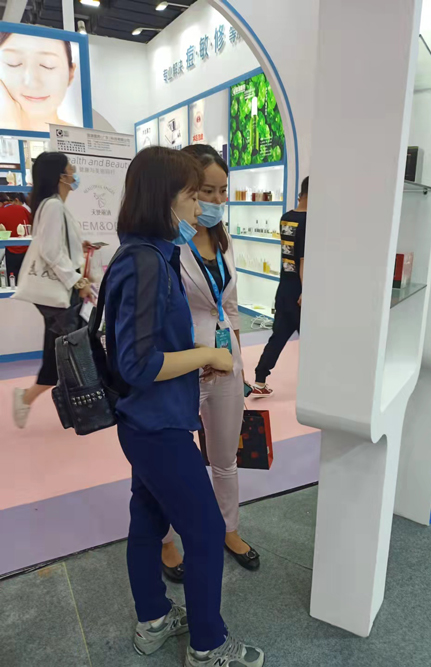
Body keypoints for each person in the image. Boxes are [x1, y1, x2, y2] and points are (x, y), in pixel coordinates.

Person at [105, 146, 264, 666]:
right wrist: (208, 354)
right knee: (205, 529)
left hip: (150, 419)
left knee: (148, 519)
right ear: (164, 198)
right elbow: (138, 363)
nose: (201, 208)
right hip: (157, 425)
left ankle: (153, 619)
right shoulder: (146, 263)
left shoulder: (148, 253)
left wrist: (202, 356)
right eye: (193, 195)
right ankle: (208, 645)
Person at [161, 144, 260, 582]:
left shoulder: (223, 238)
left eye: (223, 191)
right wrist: (198, 353)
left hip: (225, 364)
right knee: (171, 462)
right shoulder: (167, 242)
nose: (218, 200)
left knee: (225, 457)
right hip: (182, 365)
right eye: (207, 191)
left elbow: (231, 306)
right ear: (185, 189)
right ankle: (166, 539)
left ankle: (229, 529)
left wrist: (240, 363)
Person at [13, 152, 92, 429]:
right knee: (72, 351)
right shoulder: (54, 206)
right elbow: (49, 251)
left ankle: (28, 398)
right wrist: (77, 281)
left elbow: (55, 246)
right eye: (71, 169)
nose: (75, 173)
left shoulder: (53, 205)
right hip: (60, 292)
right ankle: (79, 408)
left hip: (59, 293)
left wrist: (79, 247)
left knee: (60, 352)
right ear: (61, 176)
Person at [251, 176, 309, 397]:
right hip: (300, 291)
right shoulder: (309, 221)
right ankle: (314, 387)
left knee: (278, 336)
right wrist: (305, 290)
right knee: (312, 342)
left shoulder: (286, 218)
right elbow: (303, 260)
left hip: (284, 287)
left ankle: (260, 380)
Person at [0, 33, 77, 132]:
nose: (32, 83)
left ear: (70, 74)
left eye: (48, 65)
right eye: (13, 63)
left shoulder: (81, 138)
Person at [0, 192, 31, 283]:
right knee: (27, 279)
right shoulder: (22, 209)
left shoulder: (1, 212)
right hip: (27, 249)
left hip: (11, 251)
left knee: (13, 280)